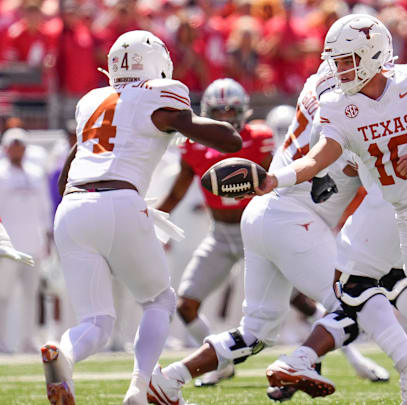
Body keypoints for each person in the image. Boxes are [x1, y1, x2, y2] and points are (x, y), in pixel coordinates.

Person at [256, 15, 407, 405]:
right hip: (405, 214)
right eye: (336, 60)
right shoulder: (336, 104)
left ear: (372, 54)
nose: (340, 69)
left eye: (348, 59)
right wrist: (276, 180)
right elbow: (318, 158)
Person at [146, 61, 407, 405]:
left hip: (260, 216)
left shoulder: (318, 88)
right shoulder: (343, 107)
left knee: (255, 332)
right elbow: (336, 149)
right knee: (354, 302)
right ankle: (402, 364)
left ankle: (169, 379)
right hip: (291, 217)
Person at [41, 30, 243, 405]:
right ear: (154, 63)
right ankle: (139, 388)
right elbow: (220, 139)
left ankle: (63, 355)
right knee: (159, 302)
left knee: (97, 322)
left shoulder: (92, 100)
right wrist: (228, 135)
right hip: (119, 199)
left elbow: (70, 167)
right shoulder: (158, 95)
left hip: (71, 207)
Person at [156, 77, 274, 385]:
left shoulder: (258, 137)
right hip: (220, 234)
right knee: (186, 305)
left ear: (243, 111)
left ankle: (344, 357)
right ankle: (221, 362)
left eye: (230, 111)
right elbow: (179, 190)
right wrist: (153, 218)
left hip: (258, 232)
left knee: (298, 299)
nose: (224, 118)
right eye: (217, 112)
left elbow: (277, 183)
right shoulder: (194, 145)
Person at [0, 128, 51, 353]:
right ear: (6, 148)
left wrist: (47, 237)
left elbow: (45, 208)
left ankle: (28, 340)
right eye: (13, 145)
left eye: (20, 145)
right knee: (3, 295)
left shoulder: (35, 172)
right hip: (7, 247)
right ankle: (2, 340)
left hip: (33, 245)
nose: (16, 150)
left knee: (31, 295)